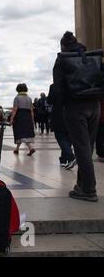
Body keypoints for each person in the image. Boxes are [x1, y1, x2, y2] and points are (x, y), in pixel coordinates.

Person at [53, 31, 100, 202]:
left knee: (81, 148)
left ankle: (88, 189)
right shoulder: (89, 55)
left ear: (62, 45)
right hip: (95, 104)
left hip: (75, 106)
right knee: (88, 147)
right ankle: (82, 185)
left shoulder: (62, 59)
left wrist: (61, 105)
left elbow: (57, 89)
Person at [47, 83, 76, 169]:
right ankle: (64, 160)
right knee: (68, 138)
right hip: (72, 113)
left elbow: (50, 101)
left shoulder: (54, 86)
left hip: (59, 114)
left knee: (60, 137)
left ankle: (71, 157)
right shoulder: (73, 82)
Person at [9, 83, 36, 156]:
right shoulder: (29, 98)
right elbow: (31, 110)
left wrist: (11, 119)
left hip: (19, 116)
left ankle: (31, 148)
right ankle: (17, 149)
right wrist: (32, 120)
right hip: (28, 117)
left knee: (20, 133)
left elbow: (15, 109)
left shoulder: (17, 98)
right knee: (25, 133)